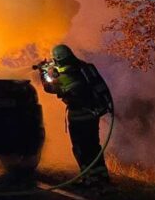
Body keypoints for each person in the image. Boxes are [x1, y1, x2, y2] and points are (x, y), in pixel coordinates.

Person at [46, 44, 111, 186]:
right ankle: (102, 177)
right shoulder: (85, 68)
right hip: (93, 115)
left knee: (81, 149)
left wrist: (46, 75)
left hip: (79, 118)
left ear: (58, 60)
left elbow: (50, 88)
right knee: (94, 146)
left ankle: (89, 179)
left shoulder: (66, 77)